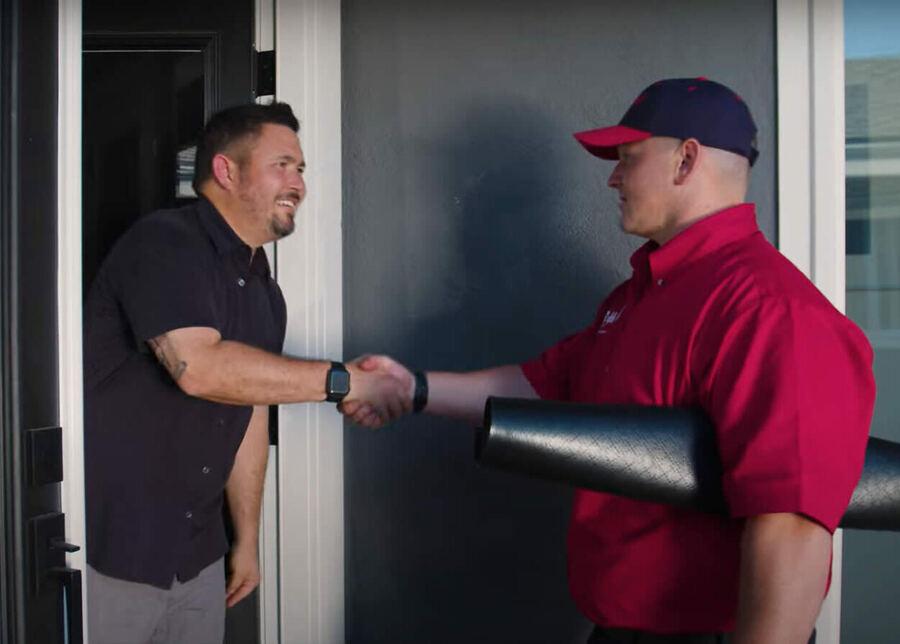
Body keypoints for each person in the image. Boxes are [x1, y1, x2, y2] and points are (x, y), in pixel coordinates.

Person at [342, 78, 876, 643]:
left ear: (685, 160)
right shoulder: (641, 294)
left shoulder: (772, 312)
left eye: (627, 158)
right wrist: (412, 387)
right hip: (619, 629)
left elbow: (791, 528)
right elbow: (547, 384)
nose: (613, 177)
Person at [83, 102, 408, 644]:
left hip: (198, 557)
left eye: (301, 170)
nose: (298, 183)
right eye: (283, 164)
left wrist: (248, 540)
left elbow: (250, 412)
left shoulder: (265, 291)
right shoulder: (164, 242)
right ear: (225, 171)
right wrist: (344, 381)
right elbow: (198, 368)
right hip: (114, 553)